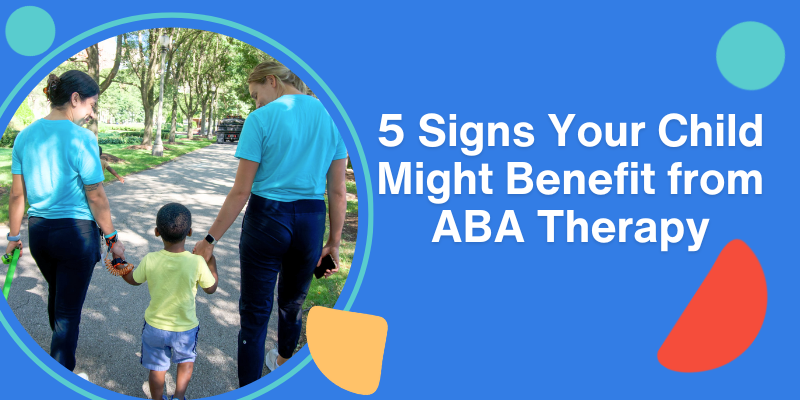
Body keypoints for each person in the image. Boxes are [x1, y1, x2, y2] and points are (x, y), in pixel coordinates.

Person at [192, 61, 348, 387]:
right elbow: (337, 190)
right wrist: (333, 243)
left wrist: (209, 240)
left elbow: (240, 191)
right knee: (292, 304)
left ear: (272, 81)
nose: (256, 102)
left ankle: (249, 387)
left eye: (256, 94)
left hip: (266, 218)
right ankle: (281, 363)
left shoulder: (260, 119)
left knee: (254, 312)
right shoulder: (333, 117)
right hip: (310, 220)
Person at [7, 70, 126, 373]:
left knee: (58, 294)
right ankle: (62, 374)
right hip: (75, 235)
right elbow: (96, 195)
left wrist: (12, 235)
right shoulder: (83, 138)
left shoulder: (24, 137)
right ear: (75, 99)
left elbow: (17, 196)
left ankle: (59, 349)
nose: (91, 112)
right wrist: (113, 240)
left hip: (40, 234)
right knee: (69, 313)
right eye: (90, 104)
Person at [120, 203, 218, 400]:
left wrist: (120, 262)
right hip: (185, 328)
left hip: (155, 327)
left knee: (157, 368)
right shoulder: (197, 262)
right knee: (186, 363)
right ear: (189, 232)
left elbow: (133, 279)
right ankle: (179, 397)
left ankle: (157, 398)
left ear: (157, 232)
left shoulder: (150, 259)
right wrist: (211, 259)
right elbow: (211, 288)